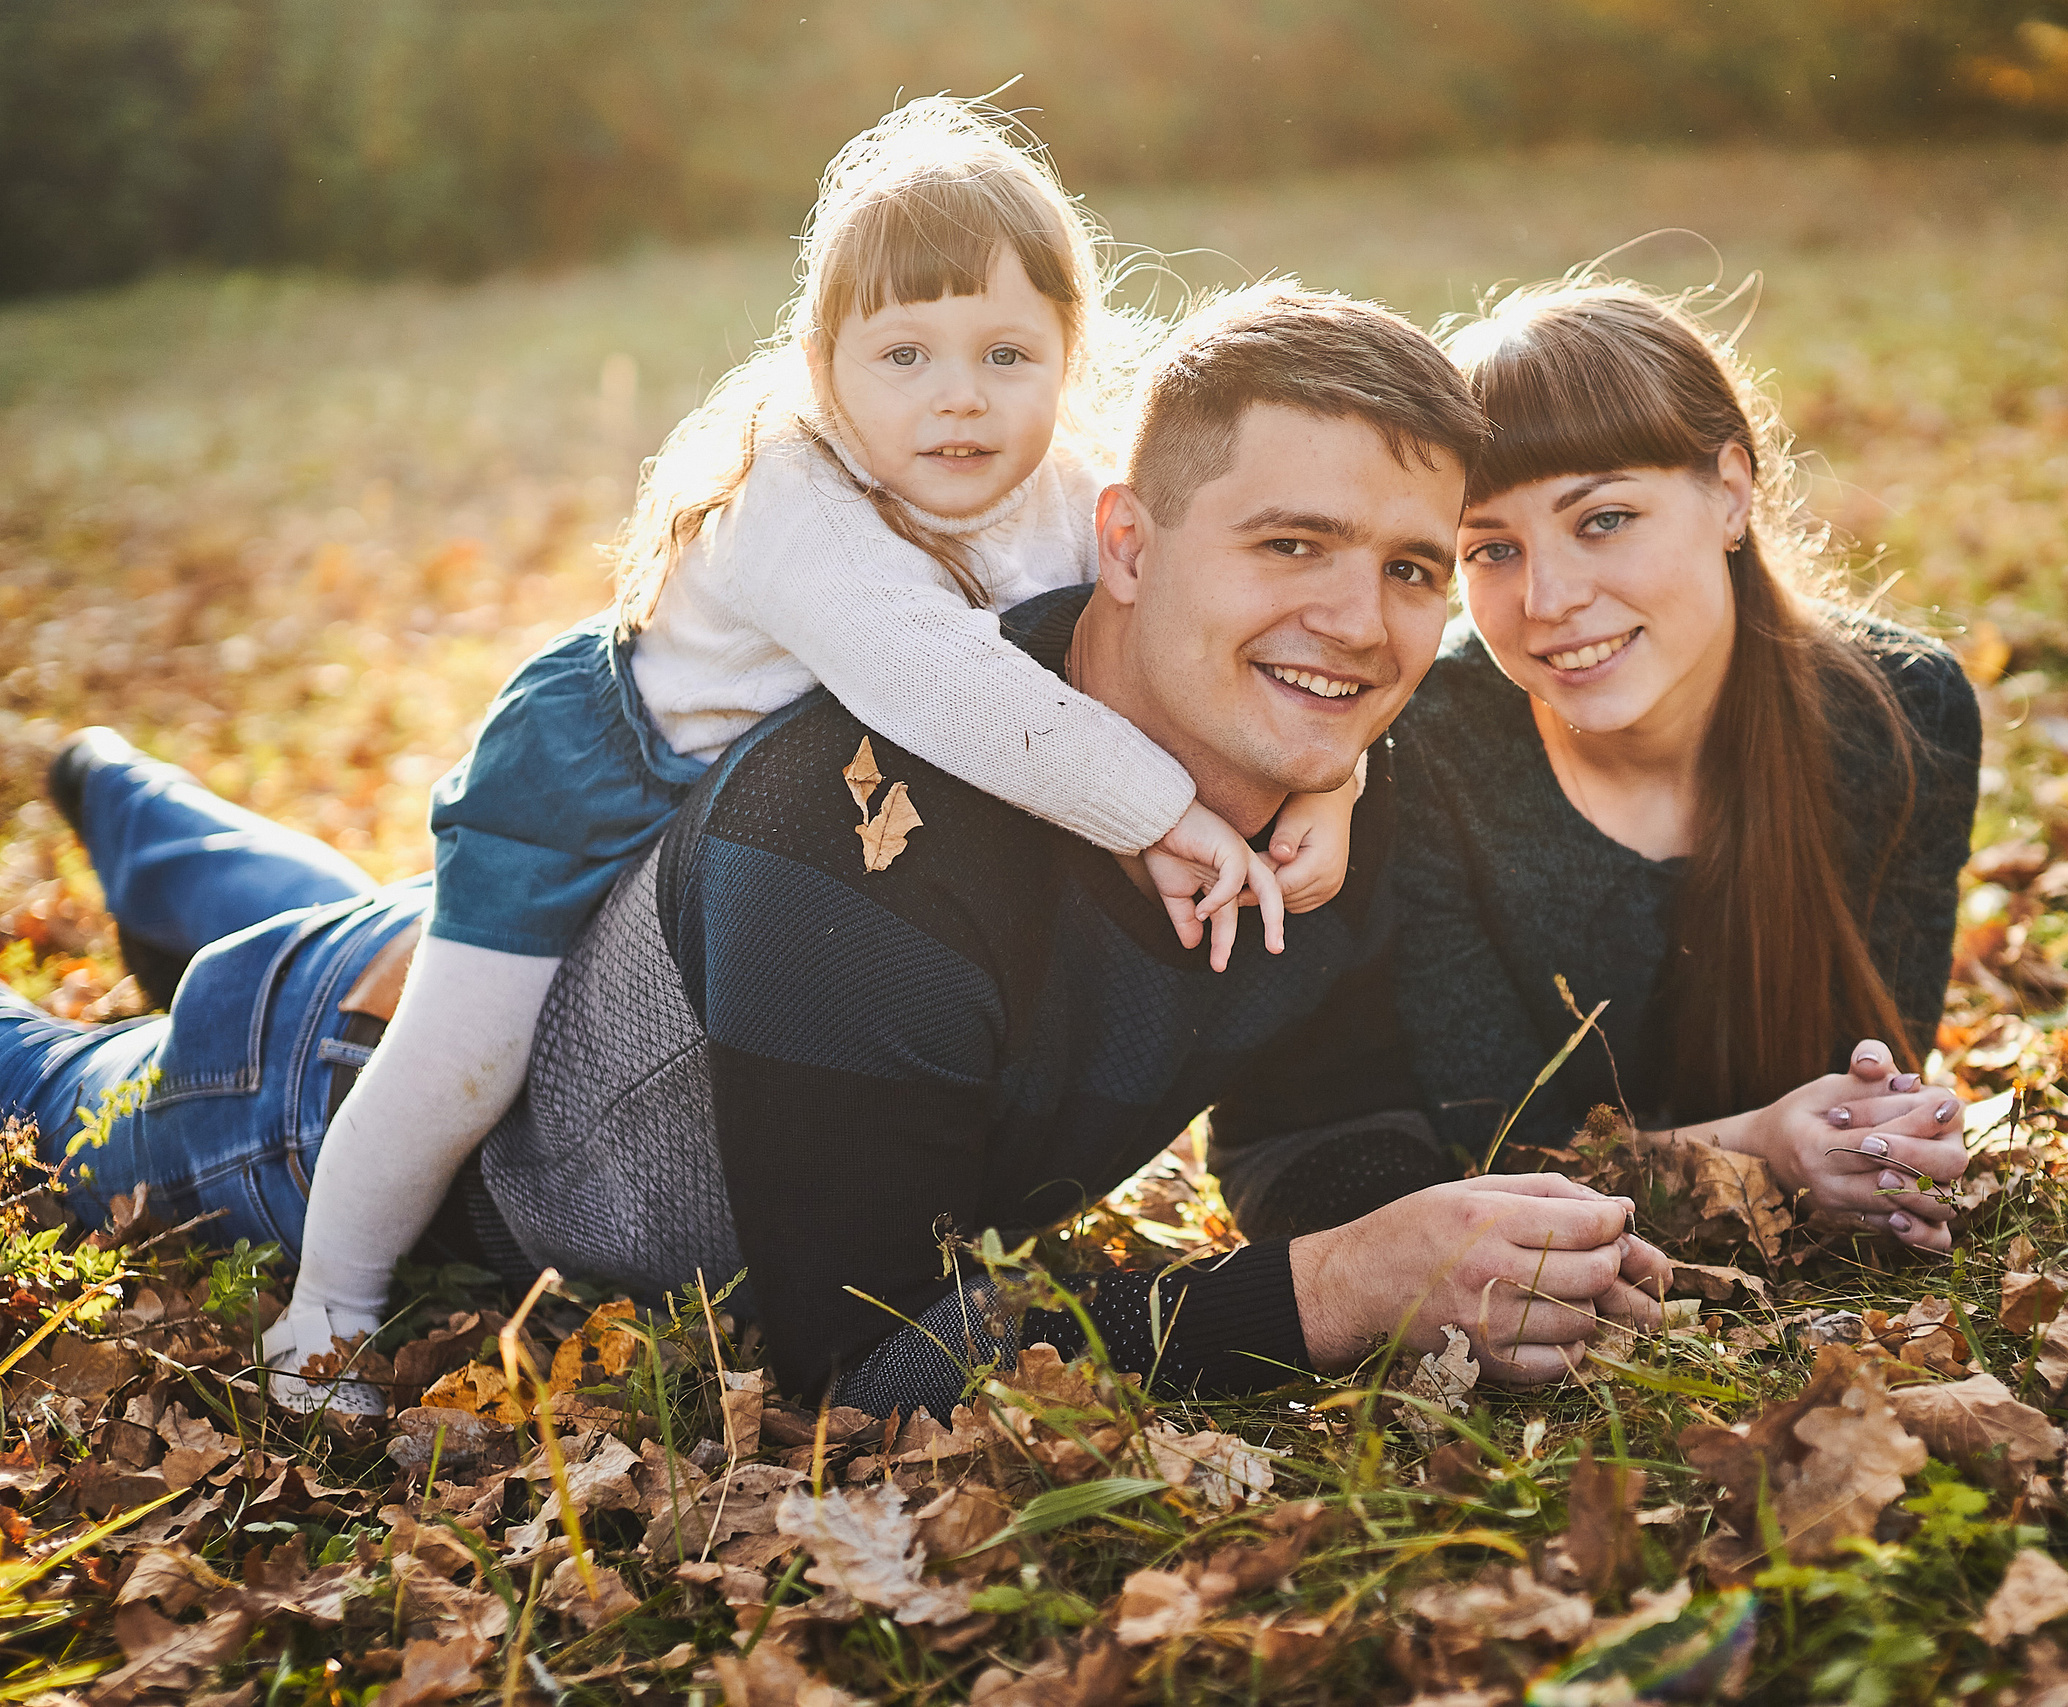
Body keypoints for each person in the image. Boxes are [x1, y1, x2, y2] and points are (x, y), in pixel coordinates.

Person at [3, 283, 1673, 1421]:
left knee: (330, 901)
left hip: (549, 959)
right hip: (335, 1098)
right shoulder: (866, 839)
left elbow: (1318, 1102)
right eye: (1290, 544)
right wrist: (1322, 1296)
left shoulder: (1337, 794)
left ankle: (104, 778)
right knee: (54, 1069)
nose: (1356, 624)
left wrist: (1449, 1242)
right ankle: (103, 810)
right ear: (1132, 546)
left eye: (1403, 568)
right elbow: (866, 1351)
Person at [266, 99, 1369, 1404]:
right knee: (462, 1057)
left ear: (1073, 353)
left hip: (747, 820)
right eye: (904, 354)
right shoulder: (785, 493)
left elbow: (1205, 616)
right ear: (822, 361)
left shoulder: (1062, 487)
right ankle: (323, 1316)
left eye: (1008, 352)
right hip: (595, 774)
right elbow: (931, 679)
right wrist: (1166, 814)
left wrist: (1332, 773)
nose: (959, 396)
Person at [1218, 280, 1981, 1255]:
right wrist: (1758, 1146)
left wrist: (1867, 1137)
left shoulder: (1903, 710)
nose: (1548, 599)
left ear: (1730, 493)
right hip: (1381, 1170)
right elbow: (1488, 1146)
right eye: (1491, 549)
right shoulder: (1436, 748)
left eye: (1603, 520)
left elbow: (1866, 1070)